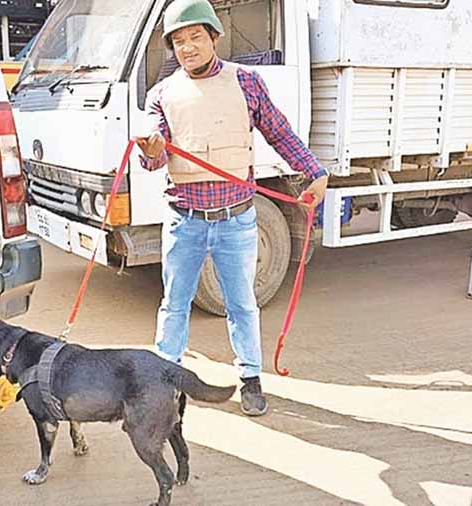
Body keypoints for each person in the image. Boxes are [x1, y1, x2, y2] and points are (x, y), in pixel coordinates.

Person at [135, 0, 328, 416]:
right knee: (174, 304)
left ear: (214, 37)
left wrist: (314, 171)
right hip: (184, 221)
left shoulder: (246, 82)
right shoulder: (161, 94)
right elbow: (153, 160)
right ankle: (164, 380)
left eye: (195, 37)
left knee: (242, 305)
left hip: (236, 220)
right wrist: (149, 150)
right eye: (179, 41)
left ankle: (250, 379)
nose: (187, 47)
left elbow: (280, 133)